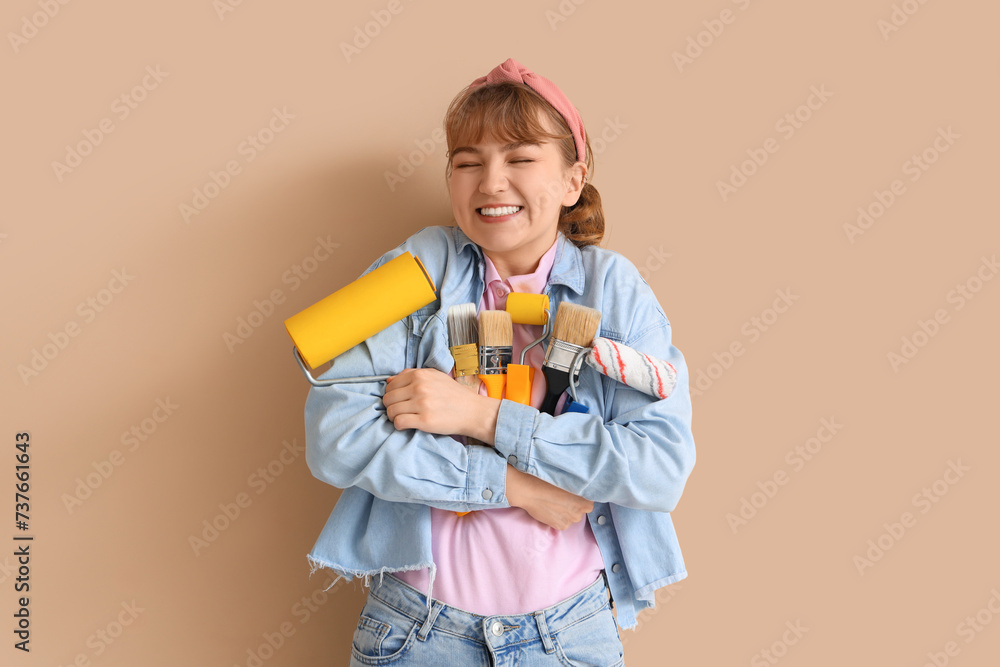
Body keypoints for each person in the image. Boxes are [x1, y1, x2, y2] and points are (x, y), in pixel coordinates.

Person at [303, 58, 696, 666]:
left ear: (572, 181)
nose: (490, 182)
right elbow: (336, 438)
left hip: (570, 633)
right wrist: (513, 487)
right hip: (416, 631)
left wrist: (481, 418)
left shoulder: (614, 289)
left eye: (520, 158)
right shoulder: (415, 266)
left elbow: (658, 468)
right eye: (467, 162)